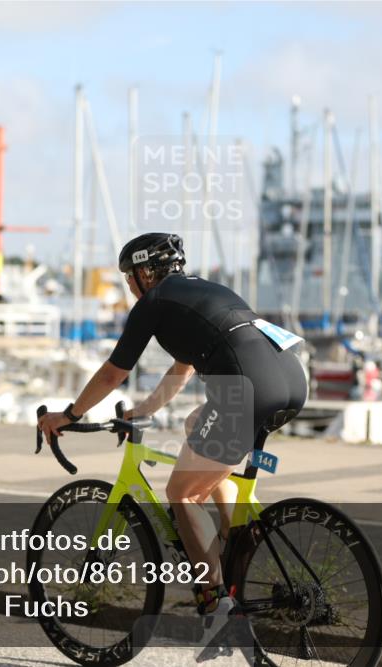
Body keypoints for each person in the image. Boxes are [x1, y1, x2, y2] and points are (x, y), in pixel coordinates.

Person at [37, 232, 307, 657]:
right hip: (290, 381)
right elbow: (183, 368)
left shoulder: (155, 303)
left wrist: (69, 415)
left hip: (246, 389)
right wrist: (144, 410)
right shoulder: (203, 291)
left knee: (181, 491)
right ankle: (235, 530)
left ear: (146, 272)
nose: (129, 286)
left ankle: (218, 610)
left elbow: (112, 373)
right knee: (196, 422)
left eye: (129, 277)